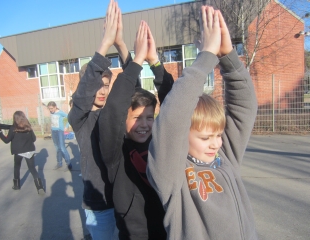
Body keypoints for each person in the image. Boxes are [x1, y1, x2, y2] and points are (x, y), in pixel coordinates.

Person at [147, 6, 258, 240]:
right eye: (205, 138)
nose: (216, 143)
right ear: (182, 136)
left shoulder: (223, 155)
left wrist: (227, 56)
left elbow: (243, 109)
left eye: (217, 135)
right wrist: (206, 55)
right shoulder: (171, 174)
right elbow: (172, 119)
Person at [98, 9, 174, 240]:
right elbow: (112, 109)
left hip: (169, 229)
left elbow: (173, 103)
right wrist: (137, 61)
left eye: (149, 118)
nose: (144, 124)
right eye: (136, 118)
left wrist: (155, 63)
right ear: (124, 119)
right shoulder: (115, 151)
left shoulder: (159, 142)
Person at [68, 1, 123, 239]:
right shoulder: (79, 118)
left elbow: (133, 90)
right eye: (97, 85)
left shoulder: (110, 112)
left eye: (106, 85)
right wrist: (105, 44)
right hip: (98, 205)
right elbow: (82, 97)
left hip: (123, 198)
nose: (102, 91)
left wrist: (120, 43)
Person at [0, 111, 45, 195]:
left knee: (17, 167)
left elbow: (6, 141)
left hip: (18, 151)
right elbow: (34, 139)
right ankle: (40, 187)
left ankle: (16, 185)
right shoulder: (28, 127)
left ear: (15, 119)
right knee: (32, 169)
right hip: (30, 151)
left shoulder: (13, 129)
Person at [47, 101, 72, 171]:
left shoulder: (60, 112)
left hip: (59, 131)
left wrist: (66, 126)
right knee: (57, 148)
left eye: (51, 108)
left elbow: (69, 117)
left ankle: (69, 163)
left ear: (55, 107)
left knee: (62, 148)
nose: (50, 110)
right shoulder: (51, 112)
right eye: (49, 109)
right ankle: (59, 163)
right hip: (53, 131)